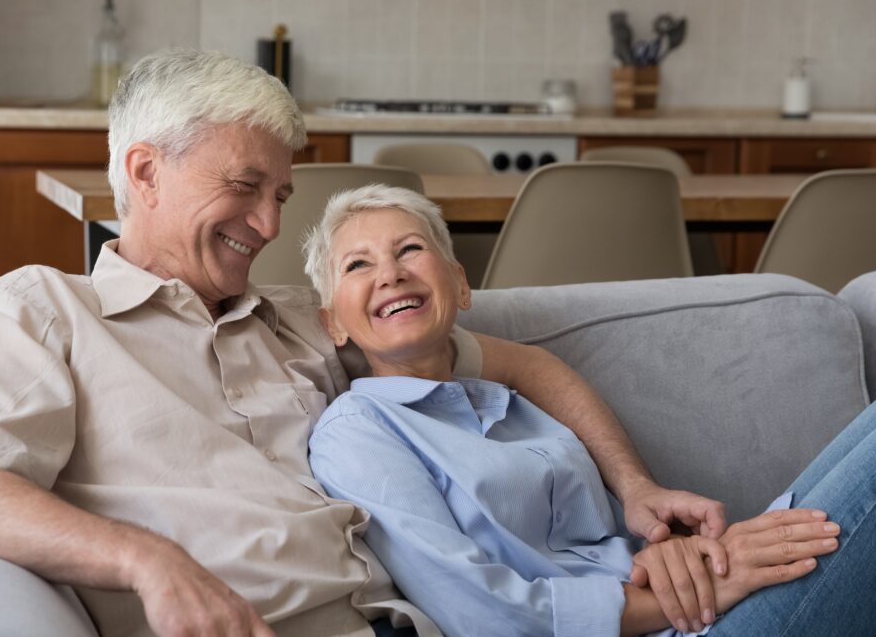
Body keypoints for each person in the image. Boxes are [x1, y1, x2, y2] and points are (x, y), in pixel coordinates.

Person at [0, 49, 723, 637]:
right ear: (146, 172)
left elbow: (530, 364)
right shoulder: (41, 312)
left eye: (280, 195)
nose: (269, 226)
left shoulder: (316, 315)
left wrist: (636, 487)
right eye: (244, 188)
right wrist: (148, 562)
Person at [305, 184, 876, 637]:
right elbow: (483, 614)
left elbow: (605, 541)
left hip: (691, 600)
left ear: (459, 285)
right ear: (333, 322)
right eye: (358, 265)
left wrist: (671, 547)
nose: (390, 273)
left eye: (410, 249)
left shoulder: (510, 401)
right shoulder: (360, 431)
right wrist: (710, 582)